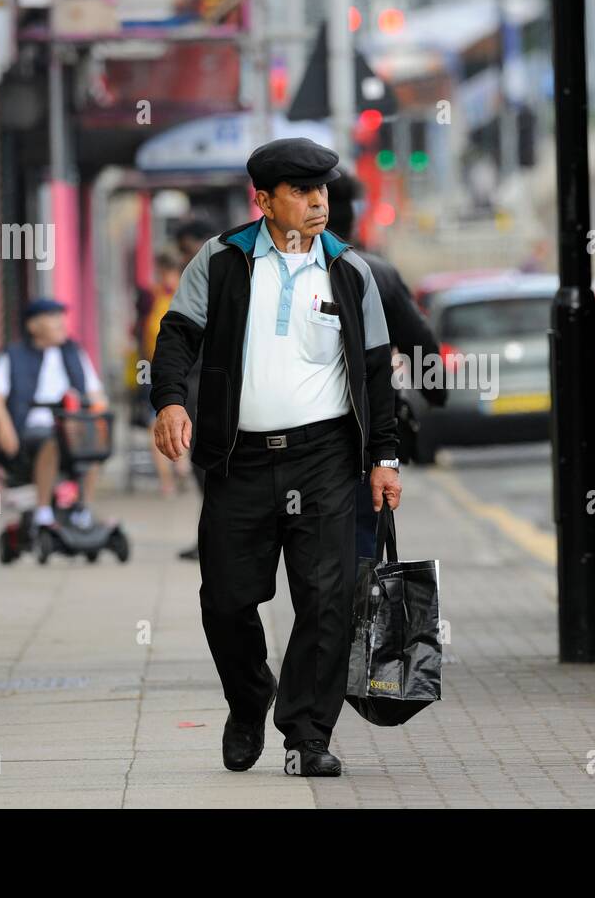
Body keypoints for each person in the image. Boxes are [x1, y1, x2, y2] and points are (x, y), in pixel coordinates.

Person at [149, 137, 401, 778]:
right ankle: (248, 696)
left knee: (328, 599)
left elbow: (375, 373)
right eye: (300, 191)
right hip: (238, 460)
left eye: (322, 190)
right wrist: (171, 402)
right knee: (227, 600)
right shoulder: (224, 260)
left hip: (325, 459)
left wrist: (384, 458)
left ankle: (308, 734)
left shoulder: (349, 272)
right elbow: (177, 335)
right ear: (262, 200)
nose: (318, 202)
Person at [325, 168, 447, 559]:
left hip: (297, 445)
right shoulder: (377, 272)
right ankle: (355, 616)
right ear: (354, 217)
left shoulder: (281, 274)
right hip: (364, 440)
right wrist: (435, 391)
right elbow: (420, 344)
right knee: (362, 548)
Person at [0, 299, 109, 531]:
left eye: (61, 317)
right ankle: (43, 511)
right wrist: (4, 426)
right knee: (51, 439)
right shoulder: (13, 355)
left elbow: (95, 392)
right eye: (53, 318)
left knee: (92, 440)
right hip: (31, 429)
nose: (61, 324)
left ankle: (83, 508)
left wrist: (98, 411)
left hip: (71, 425)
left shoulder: (73, 352)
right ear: (33, 326)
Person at [170, 218, 219, 561]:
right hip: (198, 383)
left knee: (210, 465)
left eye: (188, 249)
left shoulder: (215, 274)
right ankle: (212, 539)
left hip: (208, 384)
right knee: (204, 466)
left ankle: (218, 540)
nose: (185, 257)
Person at [144, 248, 194, 497]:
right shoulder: (154, 296)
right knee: (159, 423)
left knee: (166, 422)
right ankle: (174, 474)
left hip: (174, 370)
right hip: (155, 370)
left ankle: (179, 468)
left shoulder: (184, 294)